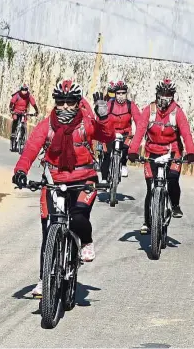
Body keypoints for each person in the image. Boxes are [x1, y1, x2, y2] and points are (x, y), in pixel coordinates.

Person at [12, 80, 115, 296]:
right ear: (55, 102)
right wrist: (21, 171)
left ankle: (85, 241)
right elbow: (31, 148)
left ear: (78, 103)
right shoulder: (46, 126)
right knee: (47, 231)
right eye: (61, 102)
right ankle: (44, 278)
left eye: (70, 102)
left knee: (78, 217)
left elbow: (107, 136)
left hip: (84, 179)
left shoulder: (87, 123)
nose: (65, 107)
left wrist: (104, 116)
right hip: (53, 179)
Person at [128, 79, 194, 233]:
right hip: (152, 152)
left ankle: (175, 205)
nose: (164, 98)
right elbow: (139, 131)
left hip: (173, 151)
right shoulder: (149, 110)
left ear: (173, 97)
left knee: (172, 179)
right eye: (162, 94)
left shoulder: (177, 112)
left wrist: (190, 152)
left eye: (168, 95)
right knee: (150, 187)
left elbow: (186, 133)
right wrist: (133, 151)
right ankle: (147, 221)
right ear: (156, 94)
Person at [101, 80, 141, 179]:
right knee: (106, 155)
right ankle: (104, 179)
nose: (121, 96)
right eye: (118, 93)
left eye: (123, 93)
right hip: (111, 133)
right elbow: (101, 117)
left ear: (126, 94)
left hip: (125, 133)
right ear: (115, 94)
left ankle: (123, 164)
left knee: (126, 148)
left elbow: (139, 121)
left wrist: (139, 133)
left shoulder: (131, 105)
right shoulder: (110, 104)